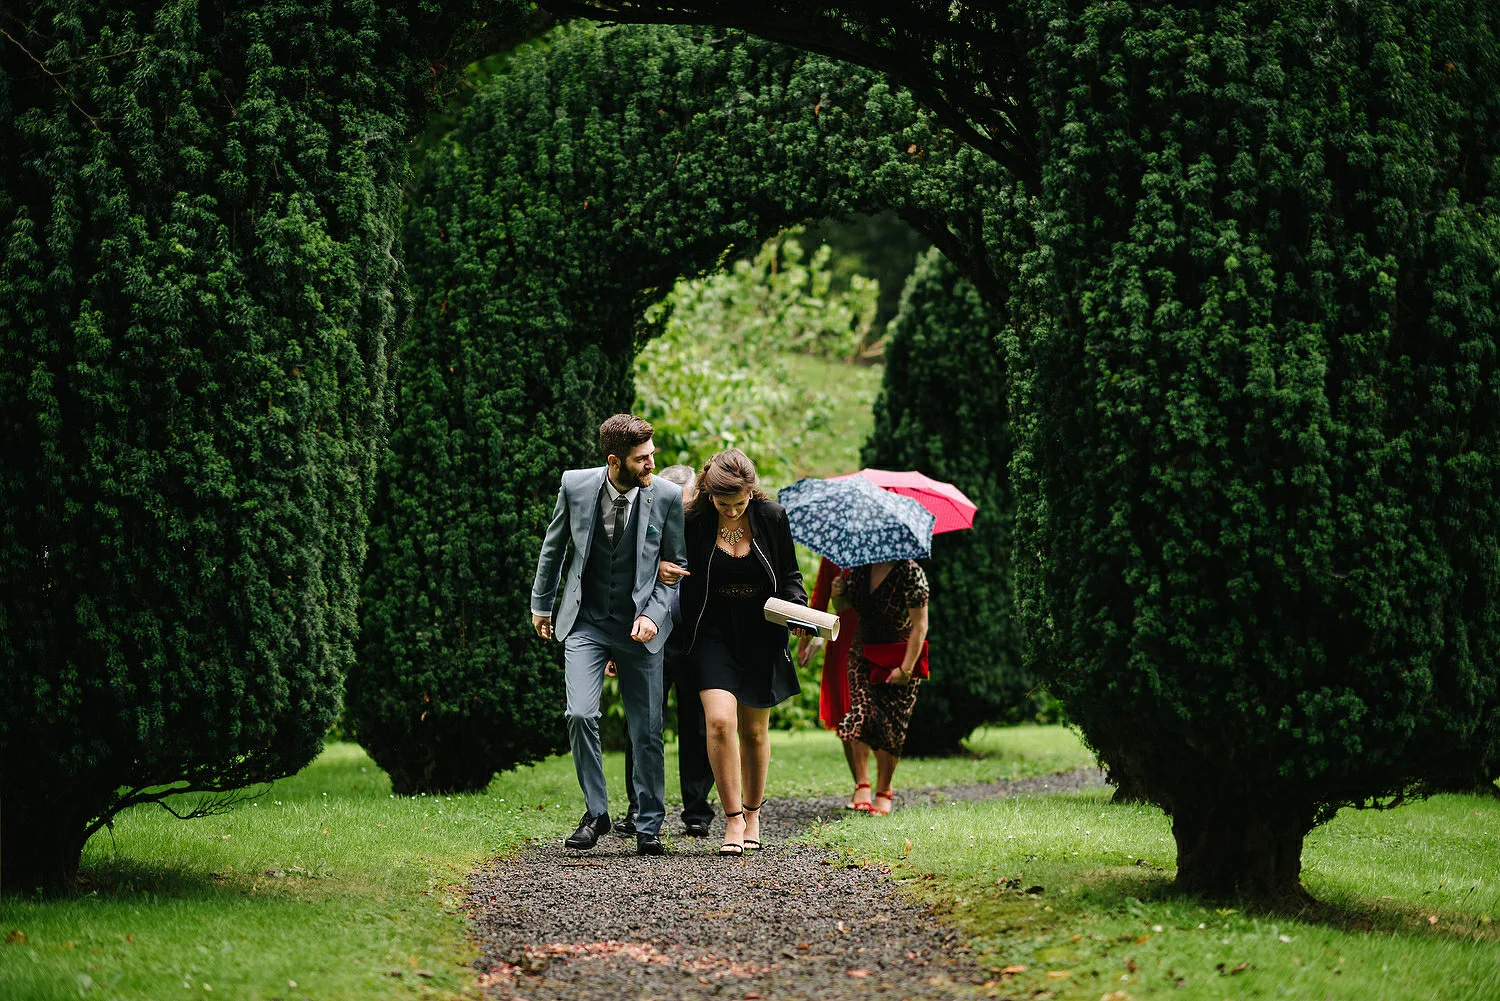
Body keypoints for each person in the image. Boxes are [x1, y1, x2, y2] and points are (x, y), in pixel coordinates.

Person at [530, 414, 686, 856]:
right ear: (615, 461)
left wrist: (654, 615)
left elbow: (674, 569)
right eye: (642, 459)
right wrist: (542, 605)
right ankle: (596, 812)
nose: (651, 464)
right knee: (579, 714)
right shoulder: (576, 486)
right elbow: (554, 546)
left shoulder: (668, 496)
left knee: (647, 730)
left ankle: (649, 825)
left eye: (652, 455)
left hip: (641, 629)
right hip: (586, 622)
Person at [678, 449, 808, 856]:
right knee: (718, 722)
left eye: (740, 503)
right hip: (711, 631)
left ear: (752, 492)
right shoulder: (693, 520)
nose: (732, 512)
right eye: (724, 503)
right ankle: (732, 819)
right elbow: (668, 565)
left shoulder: (771, 516)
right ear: (709, 494)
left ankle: (753, 814)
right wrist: (666, 569)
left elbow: (789, 575)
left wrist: (800, 612)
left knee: (753, 731)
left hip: (761, 631)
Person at [615, 464, 716, 839]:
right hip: (646, 634)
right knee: (641, 724)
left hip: (693, 636)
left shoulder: (704, 527)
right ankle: (638, 807)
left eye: (684, 503)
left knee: (697, 723)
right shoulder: (639, 521)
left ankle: (697, 810)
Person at [833, 558, 930, 816]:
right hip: (862, 653)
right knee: (860, 714)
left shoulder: (911, 572)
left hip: (900, 654)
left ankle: (884, 790)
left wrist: (907, 669)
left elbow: (920, 625)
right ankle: (862, 784)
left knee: (891, 727)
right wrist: (837, 594)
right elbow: (843, 608)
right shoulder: (859, 569)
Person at [796, 557, 869, 809]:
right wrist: (805, 640)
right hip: (843, 637)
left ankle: (867, 784)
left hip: (872, 635)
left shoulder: (882, 548)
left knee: (864, 709)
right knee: (845, 709)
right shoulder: (834, 556)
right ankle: (862, 782)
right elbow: (819, 599)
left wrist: (851, 594)